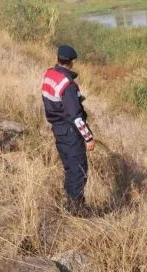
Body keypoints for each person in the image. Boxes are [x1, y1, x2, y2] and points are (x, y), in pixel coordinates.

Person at [41, 45, 96, 215]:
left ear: (58, 58)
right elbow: (76, 116)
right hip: (70, 132)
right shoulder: (68, 85)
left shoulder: (49, 74)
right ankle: (75, 210)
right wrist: (88, 138)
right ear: (71, 62)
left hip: (58, 129)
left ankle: (69, 204)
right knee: (78, 170)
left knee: (70, 168)